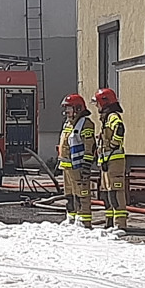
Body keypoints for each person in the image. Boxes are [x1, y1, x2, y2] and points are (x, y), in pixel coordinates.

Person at [57, 93, 96, 228]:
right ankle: (71, 216)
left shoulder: (85, 124)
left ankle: (83, 219)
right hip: (67, 165)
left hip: (78, 166)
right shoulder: (69, 123)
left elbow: (89, 146)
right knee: (69, 194)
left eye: (69, 108)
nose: (66, 111)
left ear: (78, 109)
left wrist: (86, 165)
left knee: (82, 193)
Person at [93, 87, 128, 231]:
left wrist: (114, 144)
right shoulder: (106, 118)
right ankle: (109, 222)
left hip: (114, 161)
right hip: (107, 162)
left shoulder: (112, 116)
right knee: (107, 193)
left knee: (116, 191)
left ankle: (120, 224)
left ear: (104, 102)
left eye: (98, 103)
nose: (96, 106)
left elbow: (120, 128)